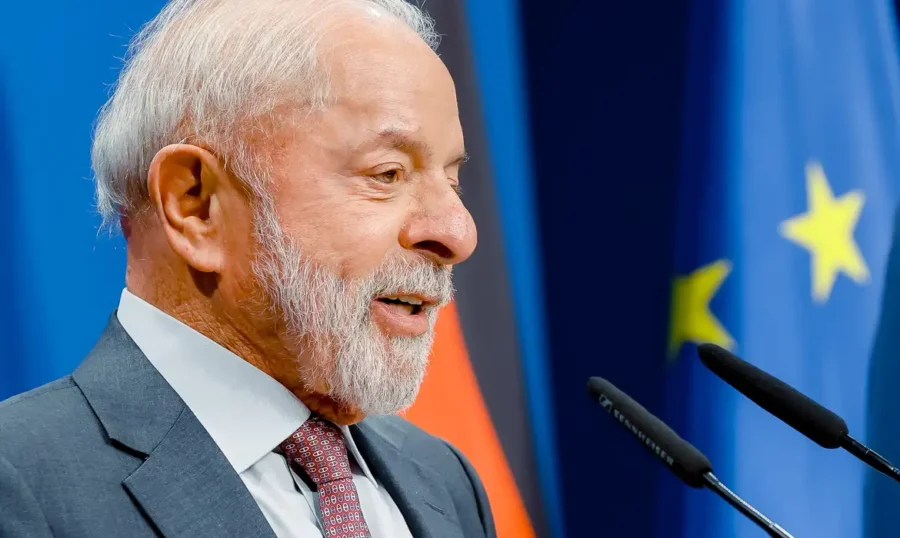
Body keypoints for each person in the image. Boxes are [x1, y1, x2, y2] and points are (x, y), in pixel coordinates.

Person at [0, 0, 494, 536]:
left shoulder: (444, 479)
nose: (458, 233)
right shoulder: (23, 483)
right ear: (196, 205)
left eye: (452, 180)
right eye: (387, 173)